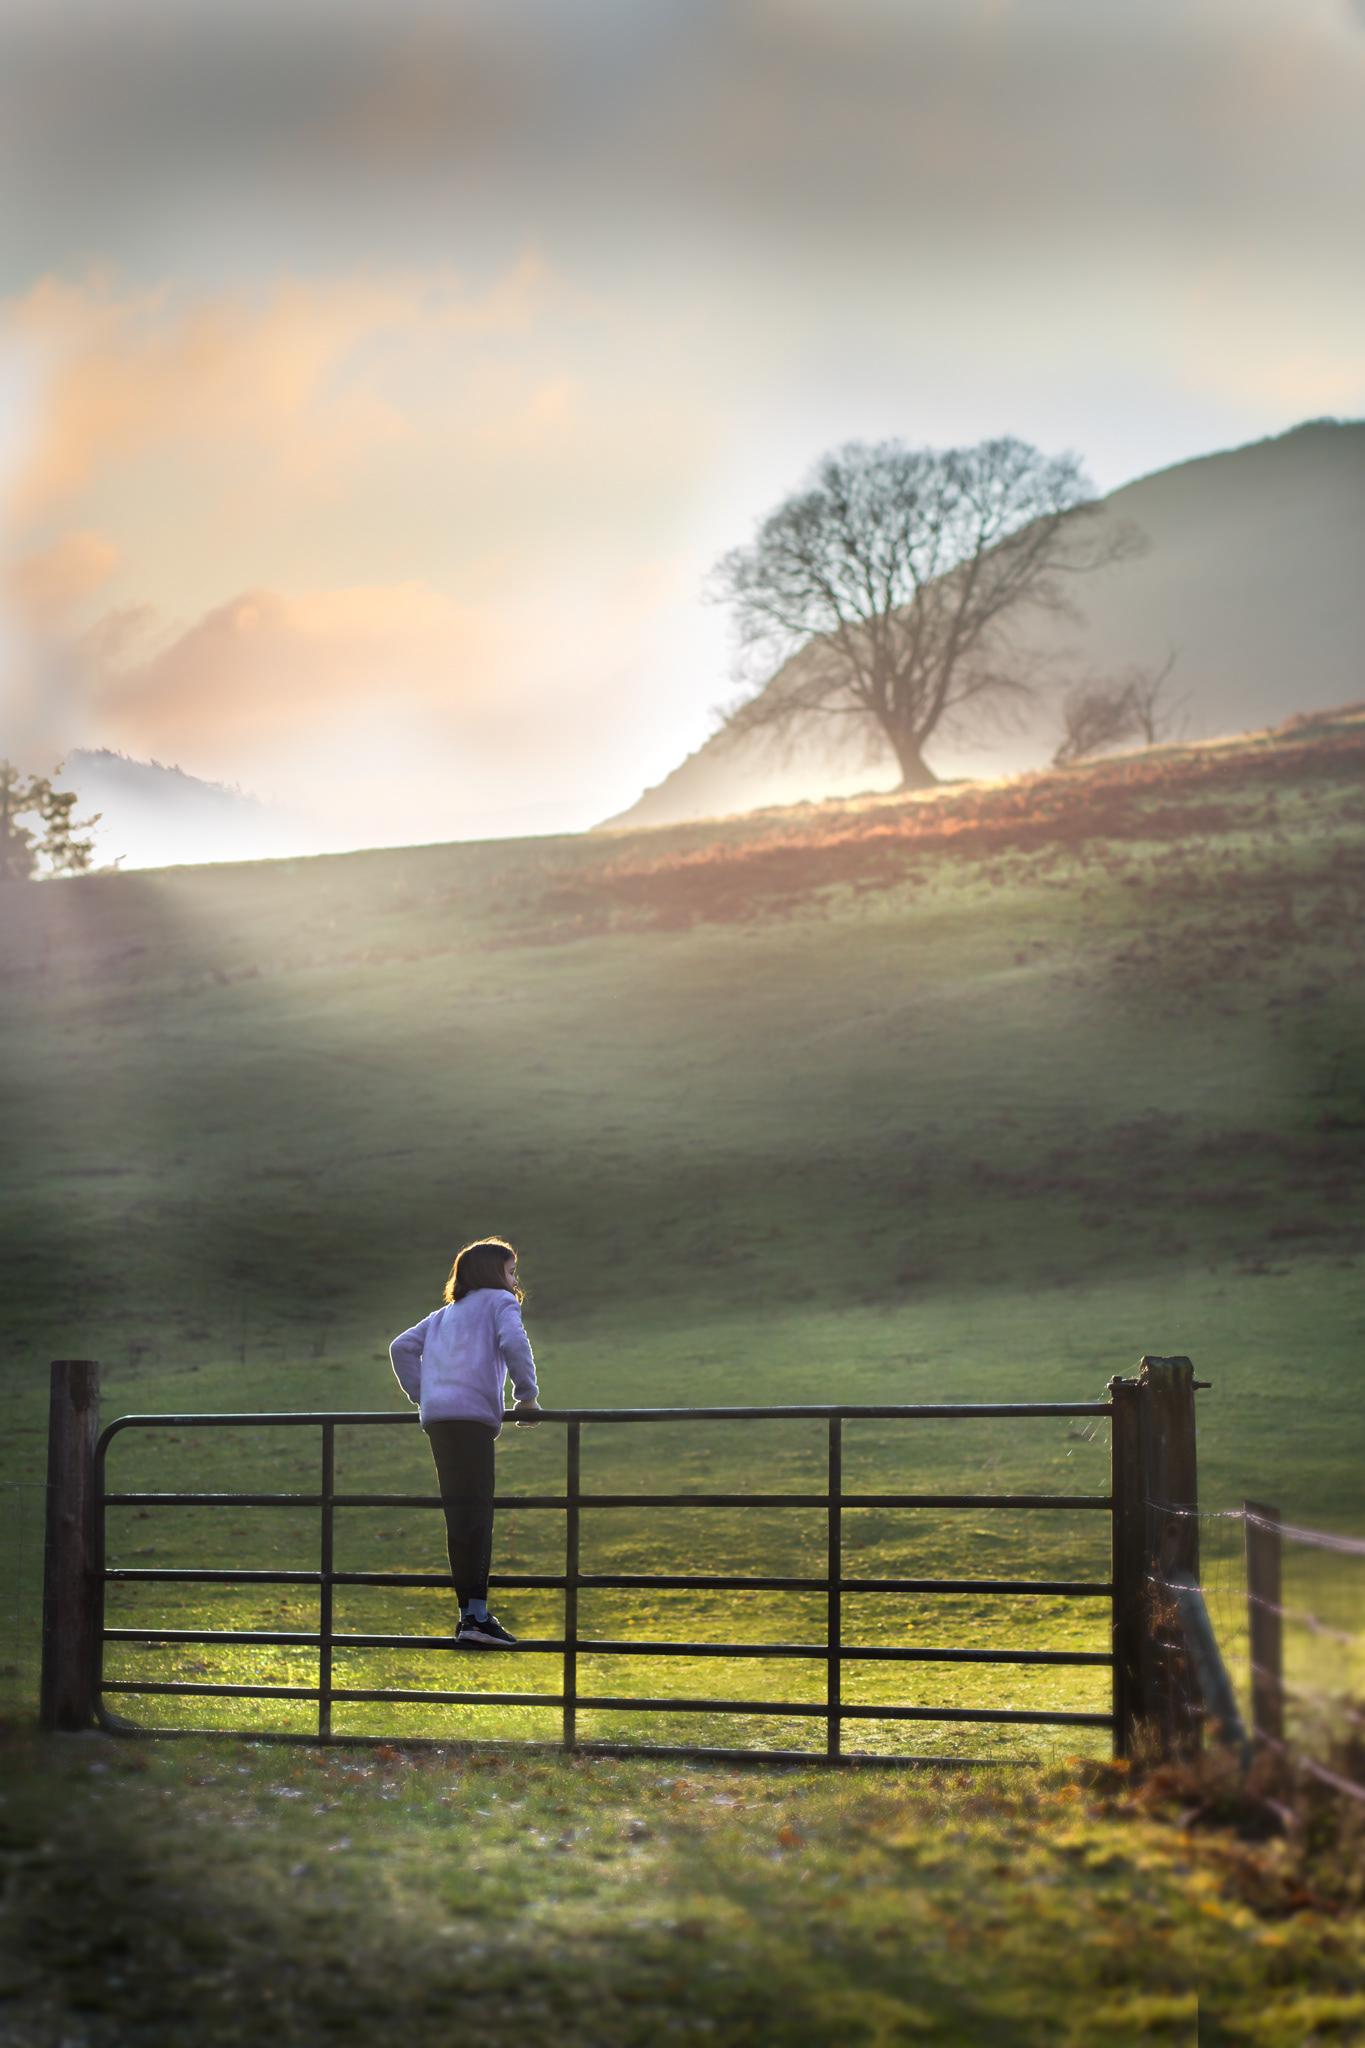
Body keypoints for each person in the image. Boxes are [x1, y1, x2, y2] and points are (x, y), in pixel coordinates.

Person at [389, 1237, 541, 1649]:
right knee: (478, 1509)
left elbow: (401, 1347)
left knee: (459, 1513)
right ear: (494, 1273)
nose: (514, 1279)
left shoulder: (443, 1315)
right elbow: (514, 1344)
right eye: (511, 1270)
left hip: (440, 1419)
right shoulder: (499, 1302)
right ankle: (476, 1618)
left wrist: (426, 1396)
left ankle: (468, 1615)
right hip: (472, 1418)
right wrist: (526, 1397)